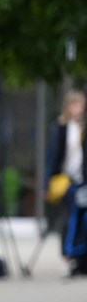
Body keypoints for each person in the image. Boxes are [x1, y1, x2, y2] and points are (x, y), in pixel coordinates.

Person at [45, 89, 87, 276]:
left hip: (82, 180)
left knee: (81, 220)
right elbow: (53, 157)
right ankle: (67, 255)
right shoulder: (61, 128)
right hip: (64, 180)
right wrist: (47, 183)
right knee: (65, 219)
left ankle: (80, 257)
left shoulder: (83, 128)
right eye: (75, 105)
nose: (78, 109)